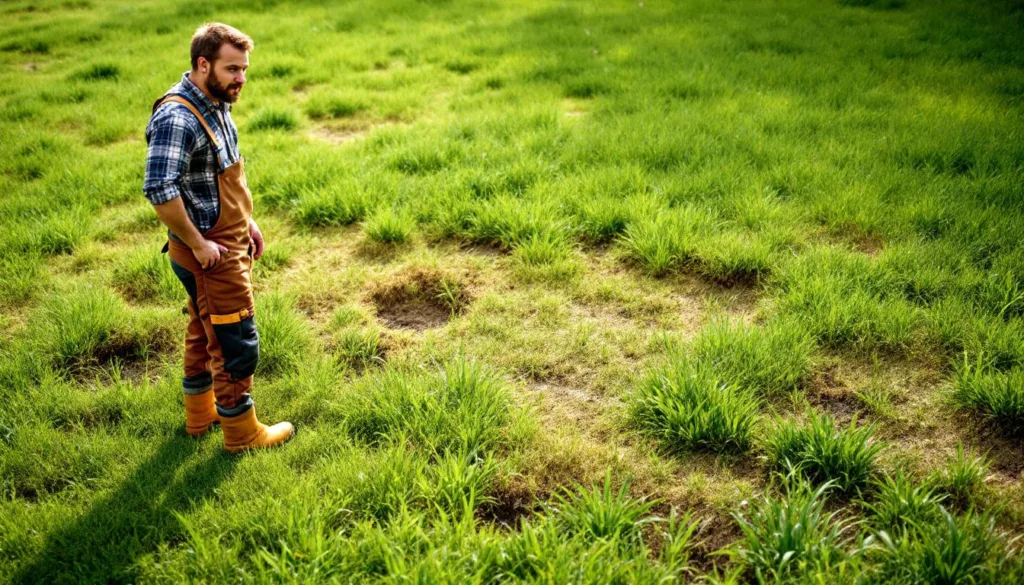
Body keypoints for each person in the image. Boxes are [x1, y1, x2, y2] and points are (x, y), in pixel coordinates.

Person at [143, 22, 293, 453]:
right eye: (232, 69)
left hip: (224, 237)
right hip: (210, 253)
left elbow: (215, 175)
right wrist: (199, 243)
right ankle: (242, 433)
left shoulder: (215, 100)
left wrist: (247, 222)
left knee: (201, 327)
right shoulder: (177, 117)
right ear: (202, 64)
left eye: (244, 69)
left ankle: (201, 414)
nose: (241, 79)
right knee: (234, 338)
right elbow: (159, 190)